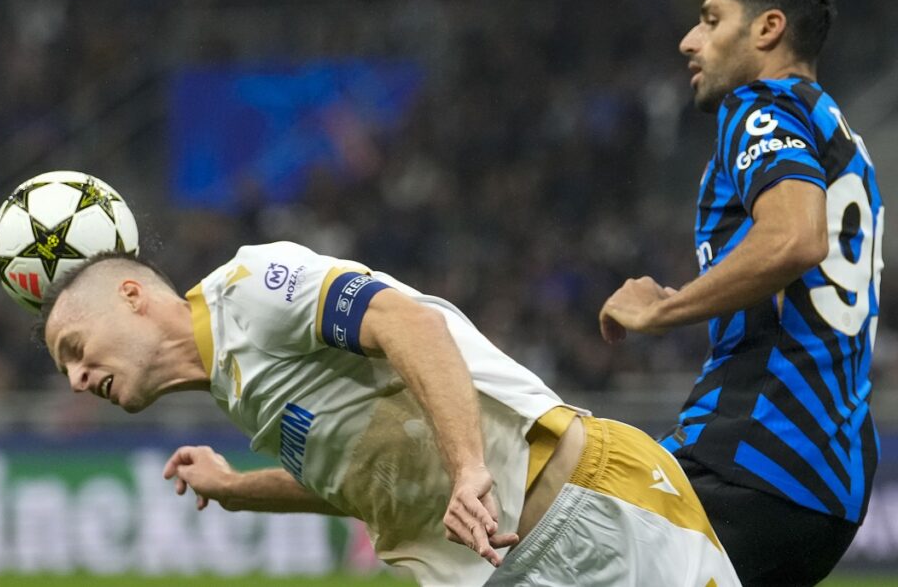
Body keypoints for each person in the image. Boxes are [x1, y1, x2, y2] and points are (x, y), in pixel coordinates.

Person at [39, 242, 739, 586]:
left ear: (132, 295)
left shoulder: (249, 288)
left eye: (75, 348)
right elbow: (371, 478)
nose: (74, 378)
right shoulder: (237, 381)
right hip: (506, 572)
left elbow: (407, 323)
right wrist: (236, 488)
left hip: (593, 518)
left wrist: (469, 466)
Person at [599, 0, 883, 586]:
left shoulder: (760, 106)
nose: (688, 40)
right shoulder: (840, 136)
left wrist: (663, 309)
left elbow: (795, 239)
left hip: (756, 452)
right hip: (829, 476)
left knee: (545, 554)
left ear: (767, 28)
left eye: (709, 19)